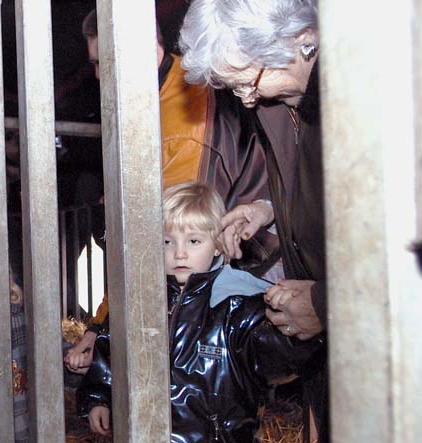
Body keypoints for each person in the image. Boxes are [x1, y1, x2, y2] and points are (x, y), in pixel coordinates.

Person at [77, 182, 325, 443]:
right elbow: (111, 348)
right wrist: (99, 396)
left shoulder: (238, 305)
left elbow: (275, 353)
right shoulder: (142, 299)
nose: (179, 254)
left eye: (193, 241)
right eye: (167, 241)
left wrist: (304, 331)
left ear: (217, 243)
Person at [64, 7, 276, 375]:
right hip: (230, 257)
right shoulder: (162, 95)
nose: (98, 76)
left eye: (104, 63)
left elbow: (161, 236)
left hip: (257, 263)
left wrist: (102, 328)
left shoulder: (182, 122)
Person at [178, 0, 330, 443]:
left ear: (304, 39)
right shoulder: (279, 105)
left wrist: (329, 303)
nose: (245, 99)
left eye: (247, 78)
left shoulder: (380, 94)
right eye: (233, 85)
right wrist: (267, 210)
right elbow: (325, 190)